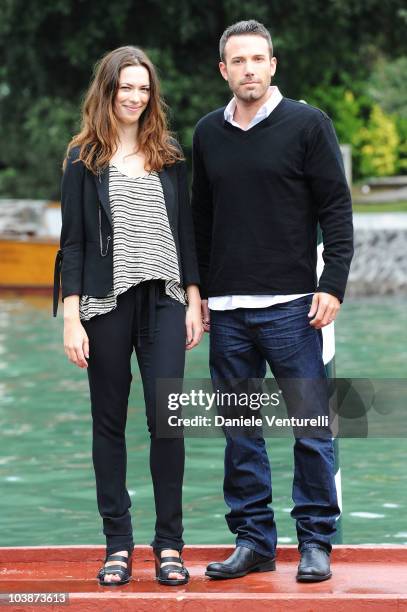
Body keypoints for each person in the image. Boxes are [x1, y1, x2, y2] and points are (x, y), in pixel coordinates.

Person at [192, 20, 353, 582]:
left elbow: (336, 208)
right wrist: (200, 294)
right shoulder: (209, 132)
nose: (249, 69)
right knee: (240, 432)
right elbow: (200, 221)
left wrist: (332, 283)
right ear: (224, 70)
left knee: (311, 427)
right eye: (238, 61)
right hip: (229, 310)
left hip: (294, 306)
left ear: (273, 64)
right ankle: (254, 541)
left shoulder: (308, 125)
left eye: (258, 59)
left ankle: (315, 542)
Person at [53, 45, 203, 587]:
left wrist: (193, 297)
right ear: (108, 90)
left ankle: (169, 545)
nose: (136, 97)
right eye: (126, 88)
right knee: (108, 425)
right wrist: (72, 319)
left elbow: (184, 233)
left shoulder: (167, 152)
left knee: (168, 423)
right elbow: (71, 244)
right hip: (104, 304)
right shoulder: (81, 158)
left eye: (144, 89)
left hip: (163, 300)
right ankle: (118, 543)